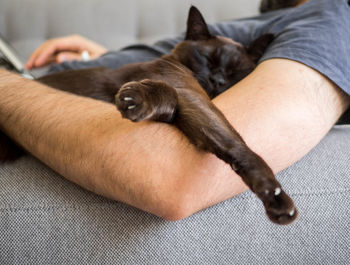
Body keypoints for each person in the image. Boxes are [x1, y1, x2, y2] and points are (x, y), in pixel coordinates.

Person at [0, 0, 349, 222]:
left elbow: (172, 177)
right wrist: (107, 57)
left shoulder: (331, 15)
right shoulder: (281, 22)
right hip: (43, 80)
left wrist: (7, 85)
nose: (215, 76)